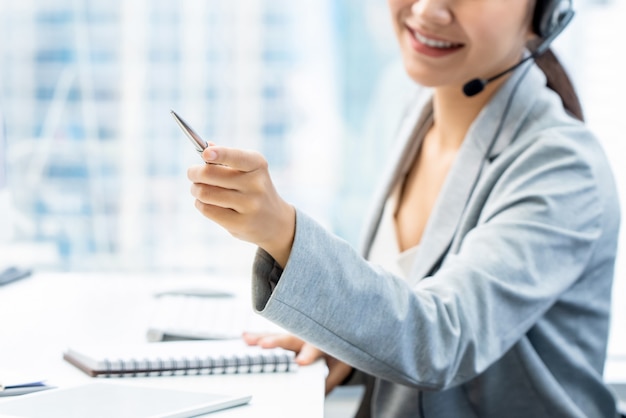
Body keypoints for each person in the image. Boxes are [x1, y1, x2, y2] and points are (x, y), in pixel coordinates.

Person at [187, 0, 621, 416]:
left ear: (543, 13)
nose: (428, 10)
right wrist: (345, 339)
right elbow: (401, 296)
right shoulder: (411, 105)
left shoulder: (563, 169)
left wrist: (282, 231)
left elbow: (441, 339)